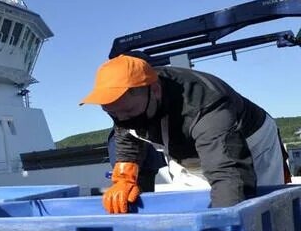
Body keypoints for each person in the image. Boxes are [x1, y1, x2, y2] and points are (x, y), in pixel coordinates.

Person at [81, 54, 290, 212]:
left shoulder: (207, 105)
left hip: (249, 143)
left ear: (154, 90)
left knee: (260, 208)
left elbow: (229, 174)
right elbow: (125, 132)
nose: (122, 118)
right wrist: (125, 177)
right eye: (112, 113)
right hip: (185, 151)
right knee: (196, 208)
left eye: (127, 111)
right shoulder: (127, 107)